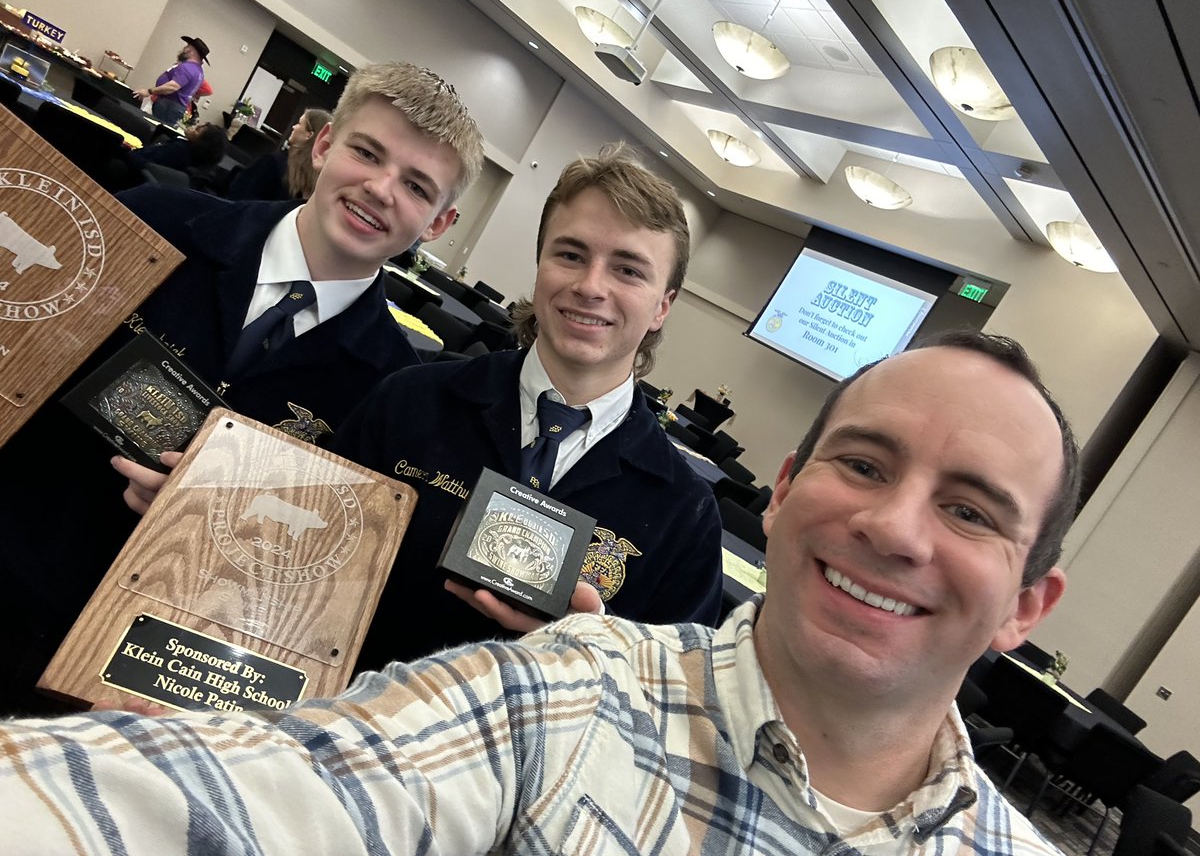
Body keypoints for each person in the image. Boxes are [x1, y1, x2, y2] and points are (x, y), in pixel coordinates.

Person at [0, 330, 1077, 854]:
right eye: (865, 465)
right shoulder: (570, 691)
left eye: (972, 510)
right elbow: (258, 795)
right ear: (788, 492)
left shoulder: (678, 513)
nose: (893, 527)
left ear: (1030, 606)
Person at [0, 61, 485, 717]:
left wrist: (209, 526)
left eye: (416, 185)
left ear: (438, 223)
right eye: (366, 152)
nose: (379, 188)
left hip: (128, 692)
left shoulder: (396, 398)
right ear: (322, 145)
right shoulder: (156, 226)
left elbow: (308, 586)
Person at [331, 142, 725, 668]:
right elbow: (309, 560)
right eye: (571, 255)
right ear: (540, 266)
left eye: (629, 270)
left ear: (662, 306)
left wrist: (590, 649)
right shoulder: (409, 400)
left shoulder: (686, 514)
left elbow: (670, 707)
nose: (590, 286)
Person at [227, 107, 333, 201]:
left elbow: (238, 197)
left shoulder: (272, 164)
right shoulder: (317, 187)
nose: (294, 127)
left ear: (308, 135)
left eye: (299, 124)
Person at [133, 35, 209, 126]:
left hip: (169, 106)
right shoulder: (198, 71)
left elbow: (172, 87)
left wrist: (149, 91)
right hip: (174, 106)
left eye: (187, 46)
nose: (184, 48)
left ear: (192, 51)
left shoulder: (188, 67)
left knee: (151, 128)